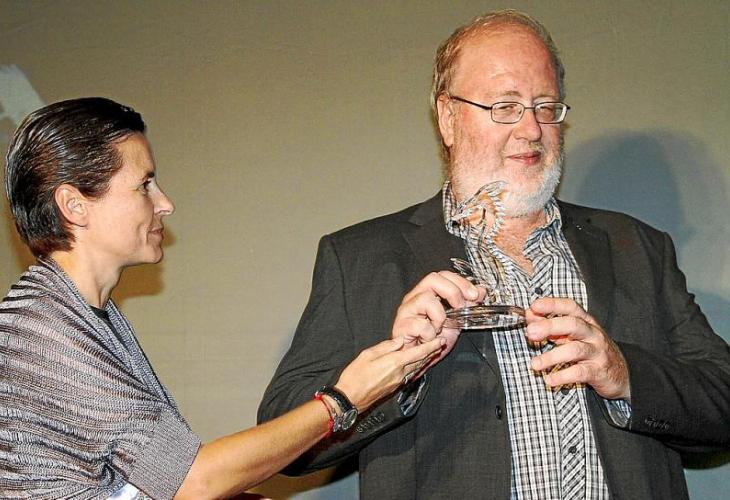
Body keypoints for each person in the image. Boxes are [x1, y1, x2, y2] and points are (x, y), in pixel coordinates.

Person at [258, 9, 730, 500]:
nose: (531, 129)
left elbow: (723, 398)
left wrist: (624, 373)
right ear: (447, 117)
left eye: (545, 106)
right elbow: (283, 441)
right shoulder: (361, 258)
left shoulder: (638, 247)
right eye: (505, 106)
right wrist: (396, 370)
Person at [0, 97, 484, 499]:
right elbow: (192, 480)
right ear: (74, 205)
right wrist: (345, 398)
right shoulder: (41, 327)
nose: (165, 203)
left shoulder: (81, 314)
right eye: (144, 185)